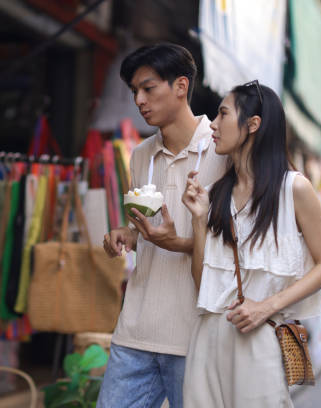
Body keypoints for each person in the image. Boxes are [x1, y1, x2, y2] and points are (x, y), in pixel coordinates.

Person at [181, 80, 321, 407]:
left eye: (223, 114)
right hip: (206, 342)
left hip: (257, 337)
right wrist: (198, 220)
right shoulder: (215, 195)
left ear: (253, 124)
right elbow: (202, 284)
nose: (213, 123)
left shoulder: (293, 189)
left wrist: (267, 306)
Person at [98, 43, 228, 407]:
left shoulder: (222, 151)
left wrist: (184, 243)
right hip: (134, 332)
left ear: (181, 86)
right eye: (134, 91)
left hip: (195, 334)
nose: (138, 99)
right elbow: (143, 230)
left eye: (148, 88)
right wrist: (127, 234)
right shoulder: (141, 155)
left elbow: (242, 243)